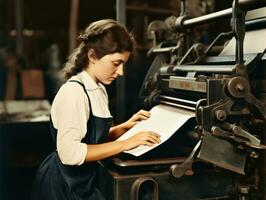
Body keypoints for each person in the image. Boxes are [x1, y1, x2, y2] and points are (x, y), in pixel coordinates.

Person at [31, 19, 161, 200]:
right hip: (63, 186)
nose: (121, 72)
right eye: (116, 63)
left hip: (83, 181)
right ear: (92, 56)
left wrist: (125, 127)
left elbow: (92, 137)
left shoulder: (98, 88)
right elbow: (70, 153)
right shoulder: (74, 92)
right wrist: (125, 143)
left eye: (123, 64)